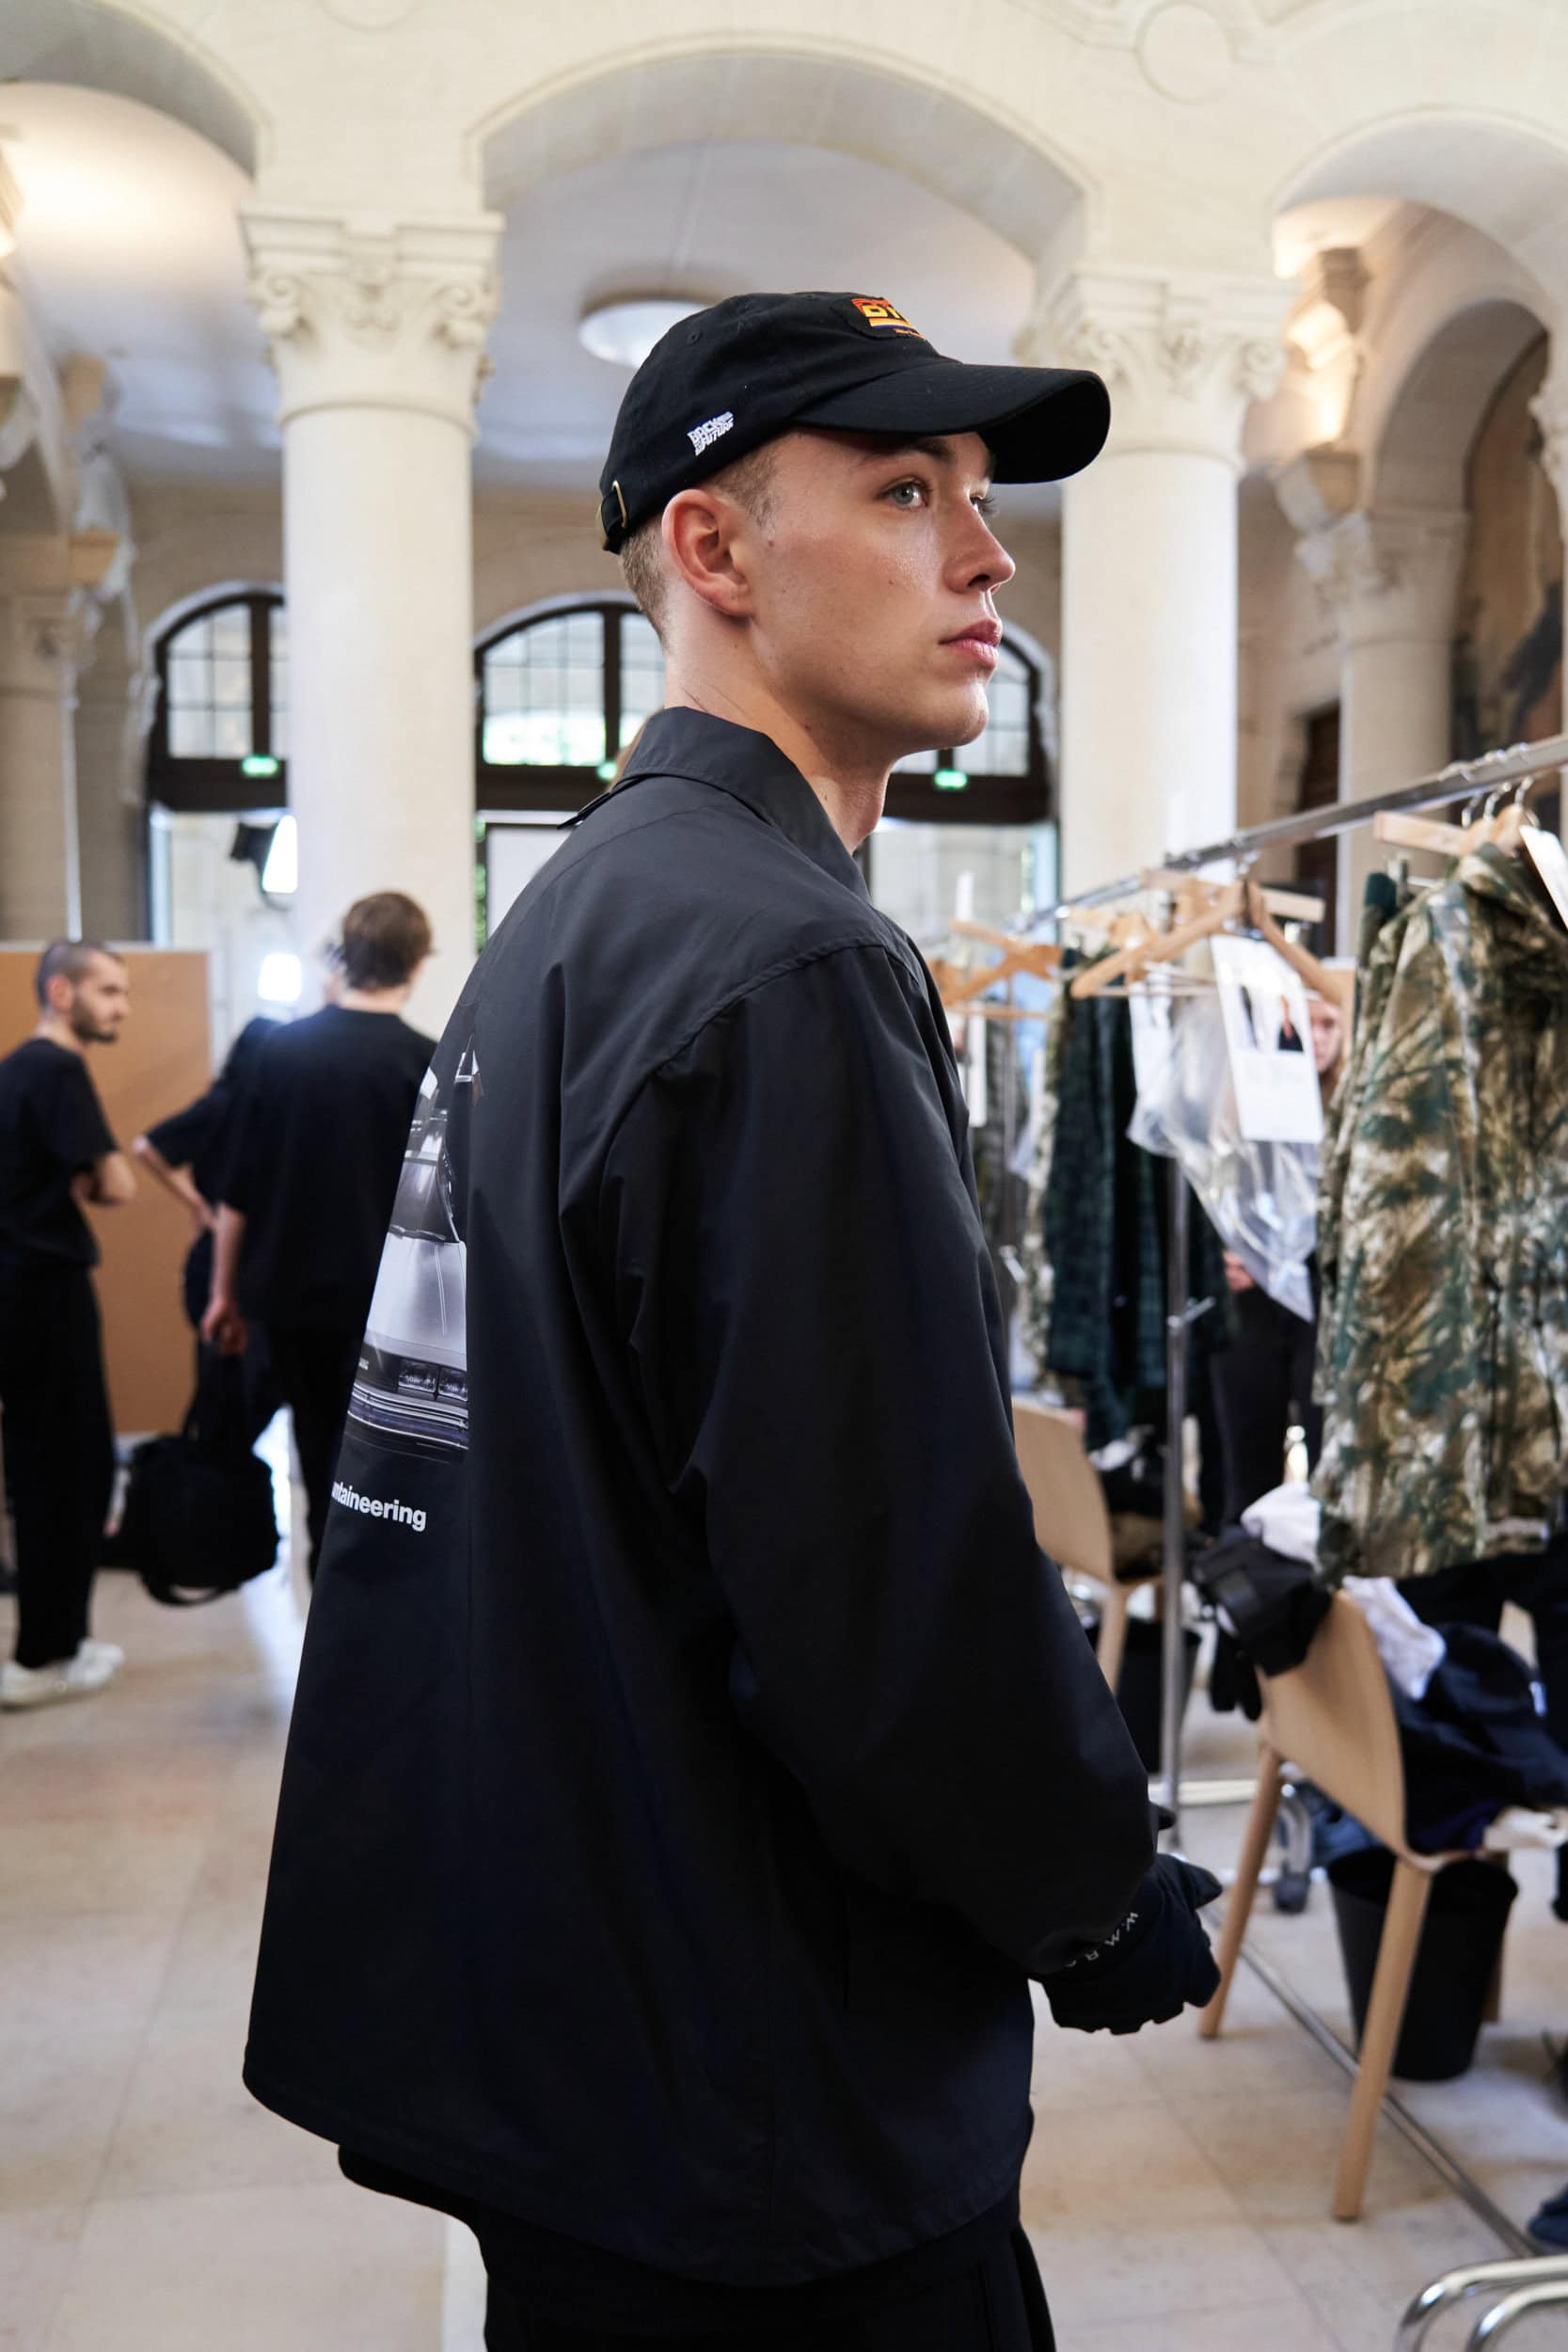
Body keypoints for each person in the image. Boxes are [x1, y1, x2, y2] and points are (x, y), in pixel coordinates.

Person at [244, 292, 1222, 2352]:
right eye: (906, 492)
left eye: (981, 495)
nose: (988, 555)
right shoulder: (779, 962)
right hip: (754, 2089)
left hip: (580, 2017)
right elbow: (883, 1590)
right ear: (714, 548)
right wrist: (1085, 1886)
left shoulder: (583, 909)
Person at [202, 893, 435, 1578]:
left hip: (290, 1299)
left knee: (314, 1446)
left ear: (344, 956)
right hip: (389, 1308)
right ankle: (377, 1599)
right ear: (417, 963)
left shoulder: (279, 1051)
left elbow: (237, 1190)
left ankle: (324, 1591)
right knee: (386, 1466)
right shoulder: (426, 1061)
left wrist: (222, 1294)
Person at [0, 941, 135, 1708]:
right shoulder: (56, 1069)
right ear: (61, 993)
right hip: (46, 1294)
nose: (121, 1008)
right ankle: (45, 1656)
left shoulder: (15, 1071)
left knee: (45, 1467)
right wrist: (91, 1175)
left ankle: (58, 1643)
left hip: (19, 1290)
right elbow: (117, 1183)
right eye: (108, 992)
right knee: (67, 1471)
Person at [1212, 991, 1344, 1521]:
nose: (1319, 1038)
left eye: (1330, 1024)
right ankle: (1246, 1560)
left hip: (1324, 1291)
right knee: (1250, 1455)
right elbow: (1214, 1186)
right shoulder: (1245, 1105)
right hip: (1253, 1291)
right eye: (1308, 1024)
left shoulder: (1350, 1107)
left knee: (1325, 1445)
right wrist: (1229, 1247)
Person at [133, 1015, 281, 1441]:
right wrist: (198, 1203)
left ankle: (224, 1467)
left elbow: (147, 1148)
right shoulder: (237, 1108)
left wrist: (197, 1203)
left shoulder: (232, 1106)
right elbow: (146, 1147)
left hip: (225, 1259)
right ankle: (221, 1471)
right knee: (235, 1389)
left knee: (232, 1386)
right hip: (233, 1261)